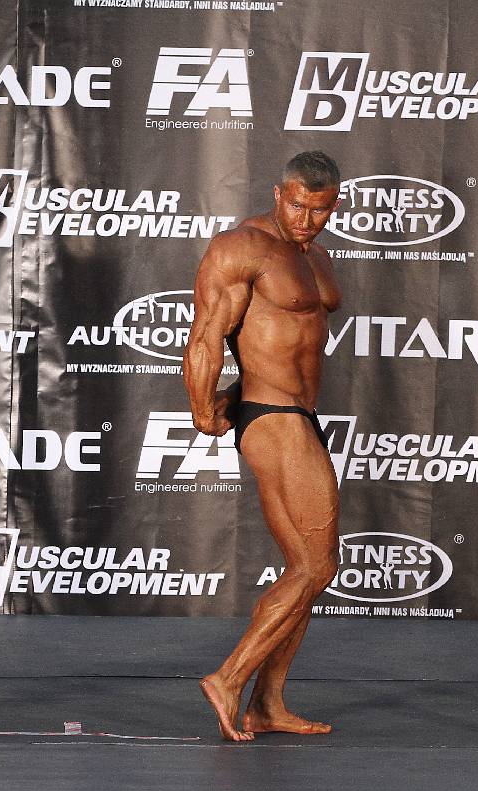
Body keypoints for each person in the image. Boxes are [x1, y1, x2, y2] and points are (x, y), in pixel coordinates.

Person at [184, 151, 343, 741]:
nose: (306, 219)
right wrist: (204, 408)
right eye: (297, 205)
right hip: (273, 416)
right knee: (317, 565)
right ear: (278, 194)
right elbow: (207, 334)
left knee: (307, 568)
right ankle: (229, 678)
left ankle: (267, 703)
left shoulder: (314, 257)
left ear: (334, 206)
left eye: (319, 210)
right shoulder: (242, 248)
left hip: (299, 412)